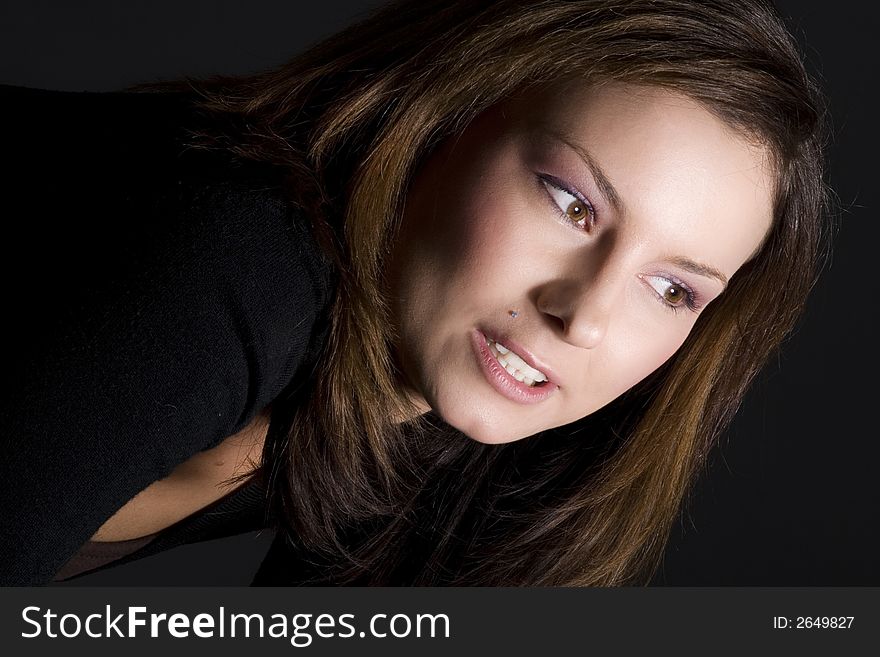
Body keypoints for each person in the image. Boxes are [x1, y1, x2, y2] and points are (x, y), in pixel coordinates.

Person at [0, 0, 829, 586]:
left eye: (673, 288)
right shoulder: (232, 259)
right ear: (447, 116)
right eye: (573, 203)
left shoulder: (445, 427)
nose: (583, 318)